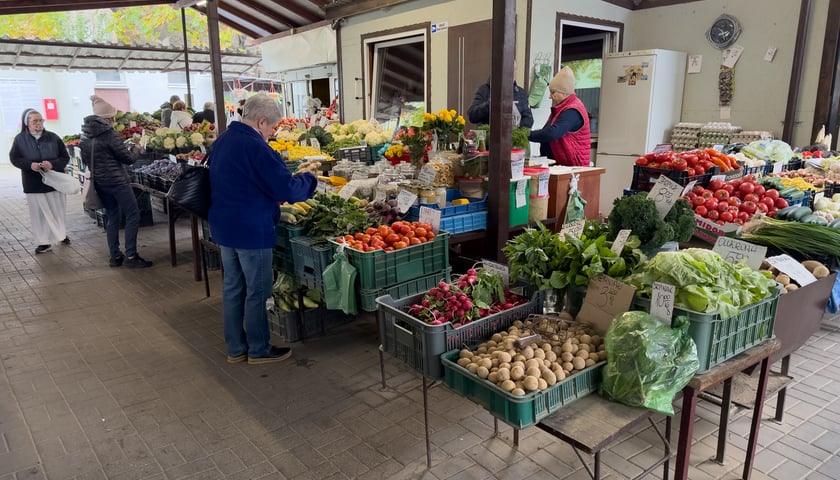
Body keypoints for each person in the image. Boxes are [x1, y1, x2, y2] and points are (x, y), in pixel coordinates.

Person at [209, 94, 317, 365]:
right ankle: (258, 349)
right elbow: (286, 189)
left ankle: (235, 348)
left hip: (224, 226)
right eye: (272, 127)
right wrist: (309, 179)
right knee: (257, 290)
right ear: (261, 122)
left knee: (233, 287)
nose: (272, 132)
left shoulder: (223, 139)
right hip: (251, 229)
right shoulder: (256, 147)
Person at [79, 95, 153, 269]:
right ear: (110, 118)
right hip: (118, 182)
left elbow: (89, 160)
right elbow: (128, 159)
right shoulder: (109, 134)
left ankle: (115, 256)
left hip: (101, 183)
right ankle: (132, 255)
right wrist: (136, 149)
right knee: (132, 215)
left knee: (112, 216)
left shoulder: (84, 136)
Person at [9, 109, 71, 254]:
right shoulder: (20, 139)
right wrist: (30, 165)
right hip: (33, 183)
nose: (38, 123)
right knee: (39, 214)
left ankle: (60, 234)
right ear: (27, 123)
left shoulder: (53, 137)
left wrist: (52, 164)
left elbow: (64, 157)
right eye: (34, 121)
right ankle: (44, 242)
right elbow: (15, 158)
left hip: (54, 181)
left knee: (57, 211)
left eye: (40, 120)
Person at [528, 66, 591, 167]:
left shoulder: (572, 110)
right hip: (559, 164)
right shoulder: (562, 108)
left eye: (553, 92)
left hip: (572, 167)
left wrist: (527, 134)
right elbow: (548, 130)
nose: (549, 96)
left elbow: (552, 133)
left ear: (563, 92)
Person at [467, 62, 534, 128]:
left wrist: (517, 132)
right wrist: (490, 104)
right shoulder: (484, 90)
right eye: (508, 69)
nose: (512, 73)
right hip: (489, 136)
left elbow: (529, 119)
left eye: (515, 69)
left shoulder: (521, 93)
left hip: (514, 137)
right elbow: (472, 116)